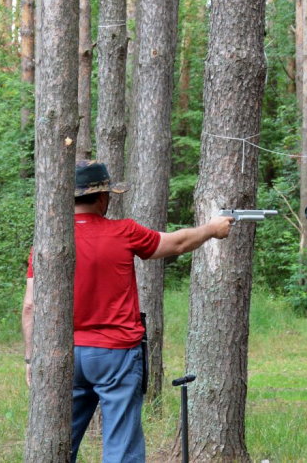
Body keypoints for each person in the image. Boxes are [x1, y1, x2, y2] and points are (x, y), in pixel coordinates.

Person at [22, 160, 233, 463]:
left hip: (63, 353)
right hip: (117, 355)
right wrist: (212, 229)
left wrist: (32, 357)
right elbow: (178, 243)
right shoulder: (123, 232)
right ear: (103, 198)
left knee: (58, 442)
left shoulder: (47, 241)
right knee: (122, 447)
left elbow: (30, 306)